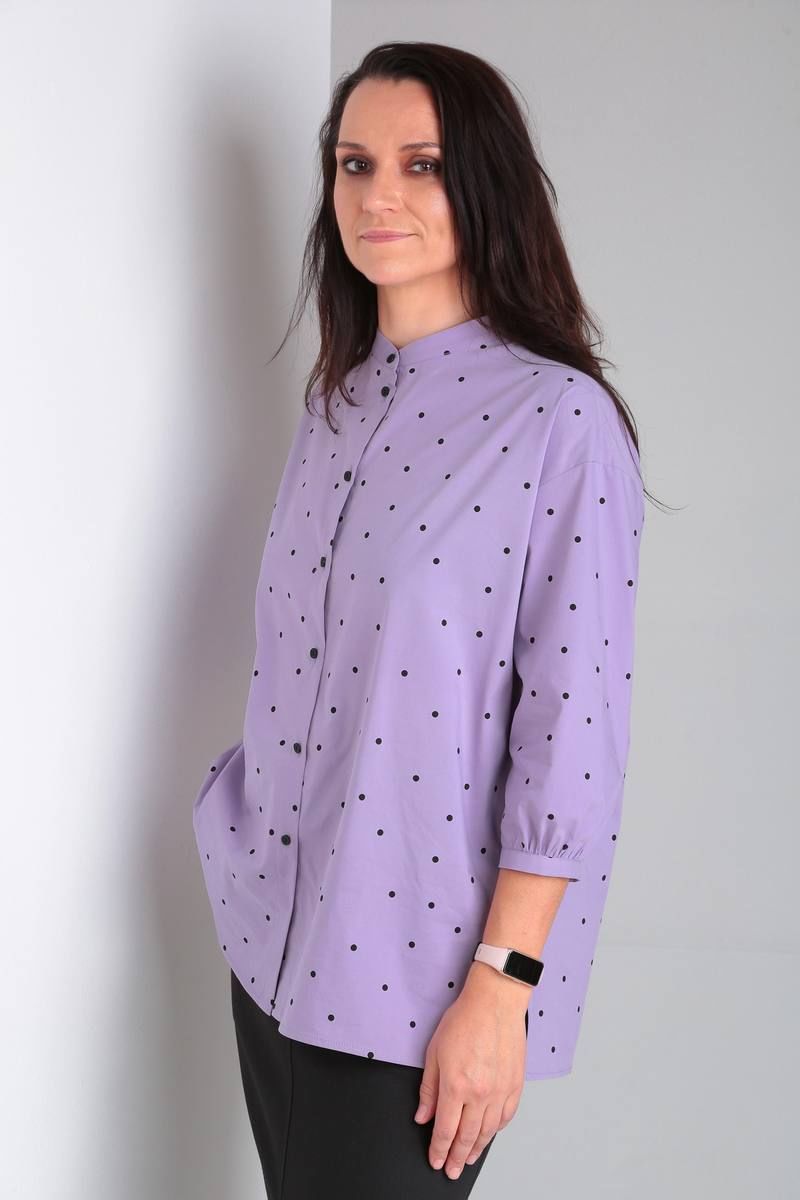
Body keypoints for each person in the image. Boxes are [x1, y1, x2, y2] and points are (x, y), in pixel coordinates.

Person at [192, 40, 651, 1198]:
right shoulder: (336, 403)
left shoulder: (558, 422)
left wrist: (502, 988)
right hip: (270, 942)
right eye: (353, 163)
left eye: (421, 164)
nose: (376, 194)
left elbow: (571, 736)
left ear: (481, 182)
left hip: (417, 982)